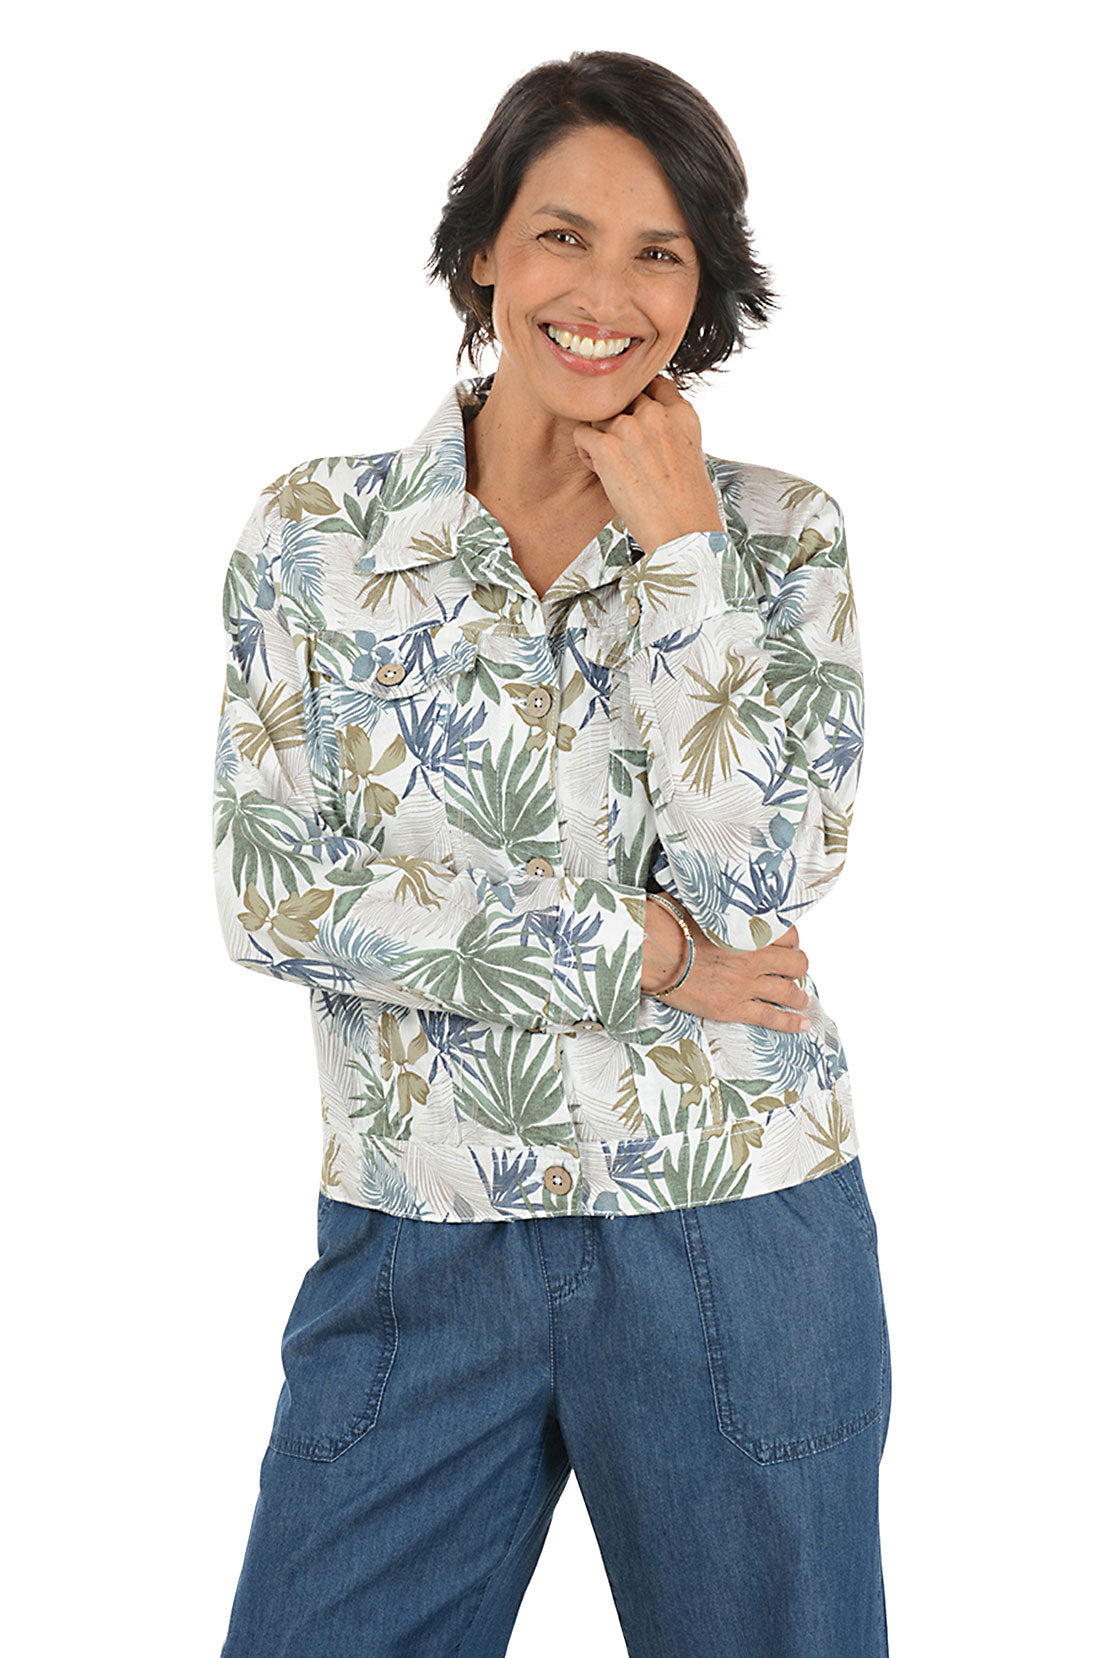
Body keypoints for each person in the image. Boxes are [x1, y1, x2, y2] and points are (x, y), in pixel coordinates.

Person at [213, 48, 891, 1658]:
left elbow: (759, 878)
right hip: (415, 1233)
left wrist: (679, 553)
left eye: (660, 251)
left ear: (703, 289)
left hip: (729, 1228)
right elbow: (275, 893)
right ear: (484, 255)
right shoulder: (313, 533)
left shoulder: (777, 537)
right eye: (562, 235)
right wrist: (645, 957)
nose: (606, 291)